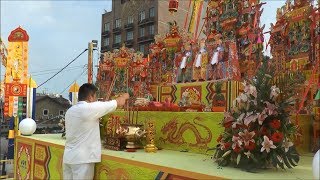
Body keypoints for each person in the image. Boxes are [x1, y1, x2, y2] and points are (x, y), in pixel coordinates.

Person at [63, 83, 129, 180]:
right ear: (90, 97)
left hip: (69, 157)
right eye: (95, 97)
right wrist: (125, 95)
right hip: (82, 160)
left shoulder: (70, 110)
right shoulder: (89, 108)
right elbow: (119, 102)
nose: (96, 100)